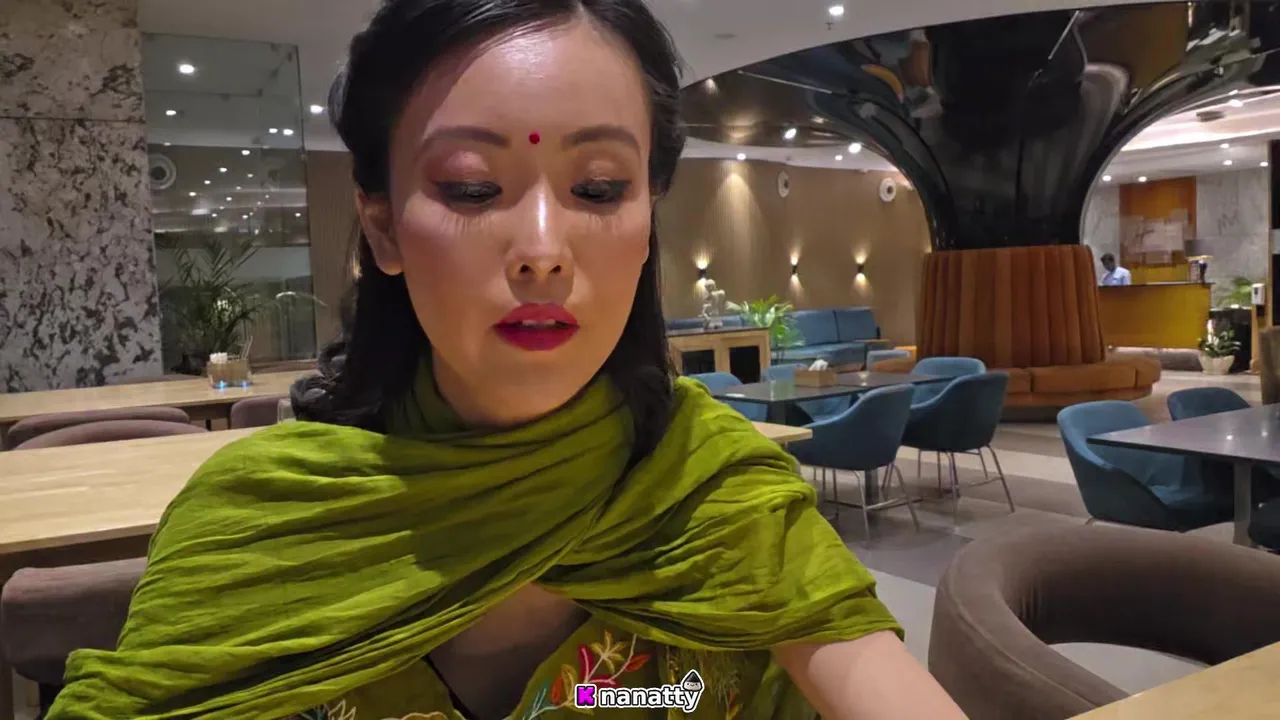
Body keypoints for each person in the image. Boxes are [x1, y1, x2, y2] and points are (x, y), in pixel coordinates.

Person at [48, 1, 965, 718]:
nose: (542, 251)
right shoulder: (257, 522)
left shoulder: (717, 492)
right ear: (382, 228)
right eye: (472, 188)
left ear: (647, 220)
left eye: (598, 189)